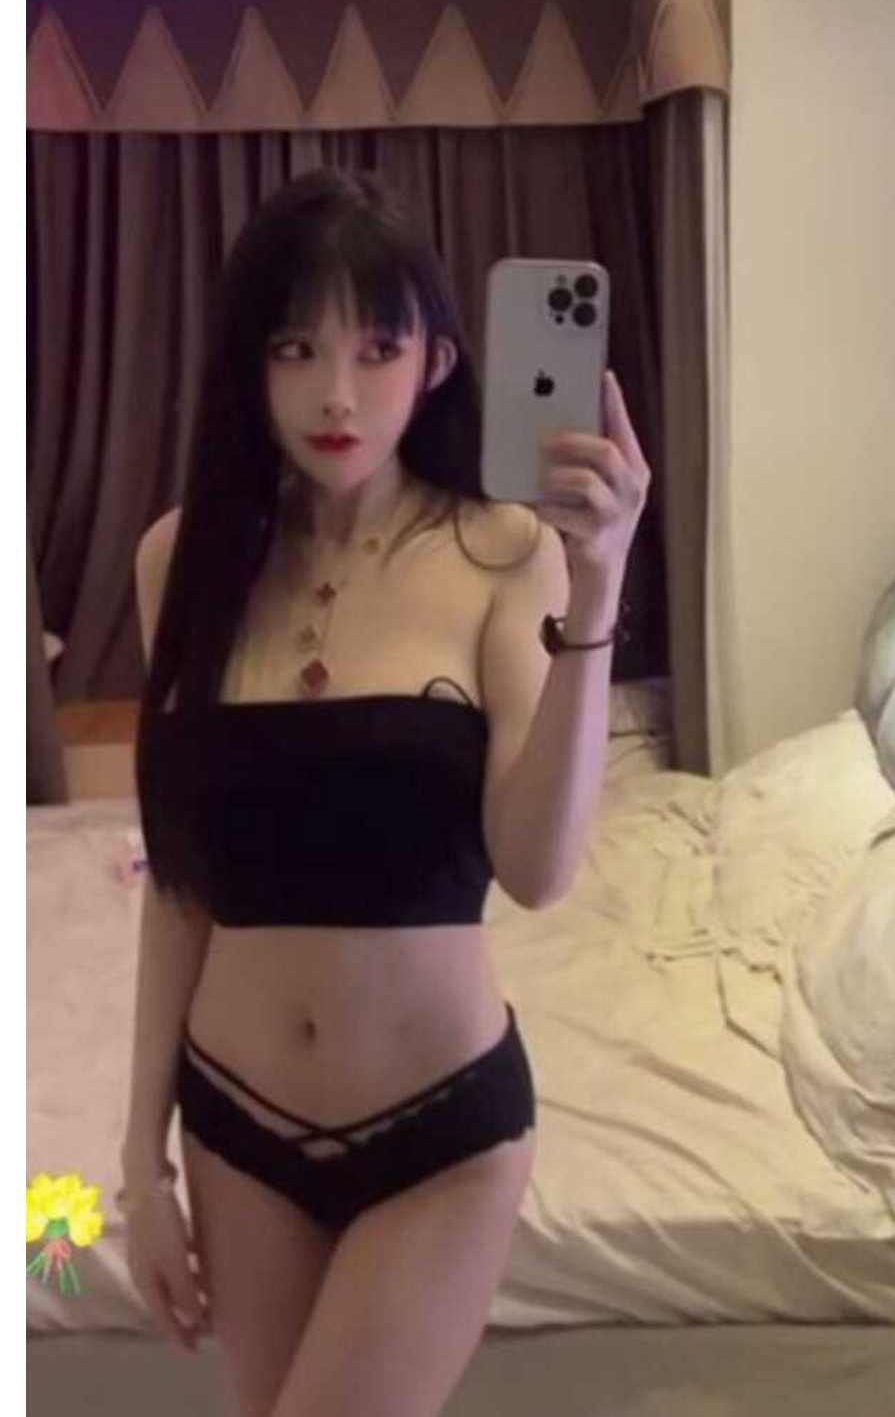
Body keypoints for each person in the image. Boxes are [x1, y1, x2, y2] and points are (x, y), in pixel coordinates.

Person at [119, 168, 650, 1417]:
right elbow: (180, 883)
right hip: (233, 1123)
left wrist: (597, 590)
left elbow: (538, 868)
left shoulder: (504, 553)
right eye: (295, 348)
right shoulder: (180, 560)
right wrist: (139, 1159)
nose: (337, 394)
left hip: (440, 1131)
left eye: (376, 348)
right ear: (251, 365)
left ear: (439, 361)